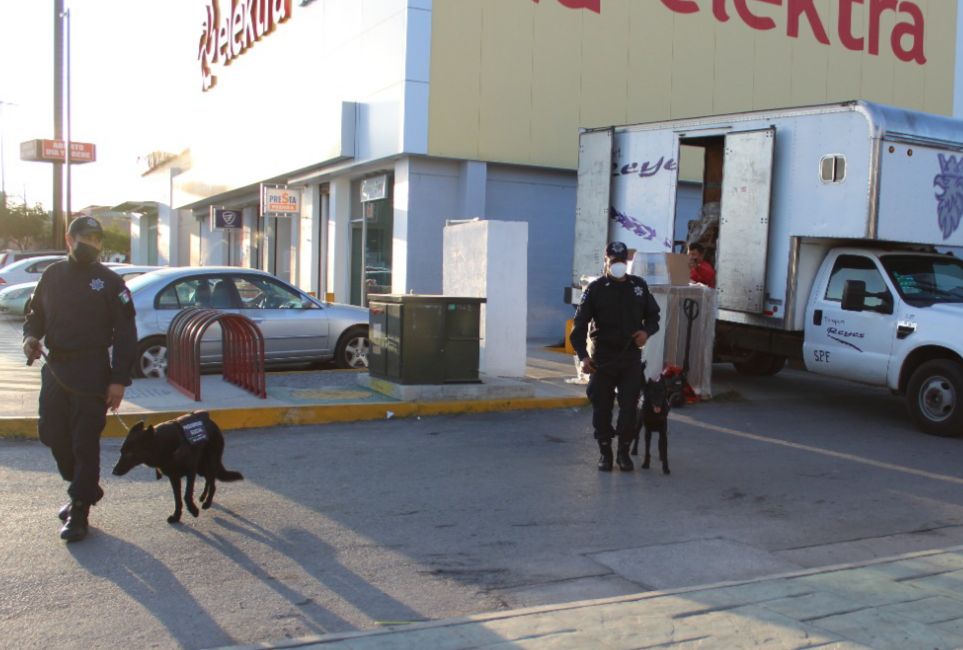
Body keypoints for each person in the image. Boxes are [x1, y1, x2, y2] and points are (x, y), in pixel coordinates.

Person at [23, 216, 138, 542]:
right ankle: (84, 488)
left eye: (96, 239)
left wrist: (119, 380)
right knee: (51, 433)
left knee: (84, 443)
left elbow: (127, 333)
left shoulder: (110, 282)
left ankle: (79, 510)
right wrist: (30, 339)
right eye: (84, 237)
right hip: (56, 368)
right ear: (69, 239)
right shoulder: (52, 275)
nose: (91, 243)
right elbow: (35, 317)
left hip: (92, 371)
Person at [570, 241, 661, 472]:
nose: (617, 265)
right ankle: (605, 452)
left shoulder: (638, 286)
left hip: (630, 357)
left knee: (629, 406)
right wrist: (583, 357)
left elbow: (654, 317)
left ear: (626, 262)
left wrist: (646, 332)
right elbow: (578, 328)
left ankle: (623, 451)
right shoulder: (595, 289)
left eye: (621, 261)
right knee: (602, 406)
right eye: (613, 261)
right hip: (603, 358)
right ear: (606, 261)